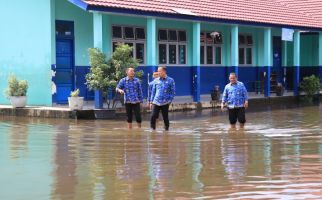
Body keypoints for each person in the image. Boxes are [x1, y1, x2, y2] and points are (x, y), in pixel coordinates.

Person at [150, 66, 175, 131]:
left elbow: (173, 92)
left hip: (165, 102)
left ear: (164, 71)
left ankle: (166, 130)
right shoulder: (156, 80)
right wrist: (151, 101)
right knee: (153, 116)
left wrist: (169, 100)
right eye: (158, 71)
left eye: (159, 71)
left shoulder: (170, 80)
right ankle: (153, 130)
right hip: (156, 101)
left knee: (165, 118)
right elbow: (153, 91)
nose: (158, 72)